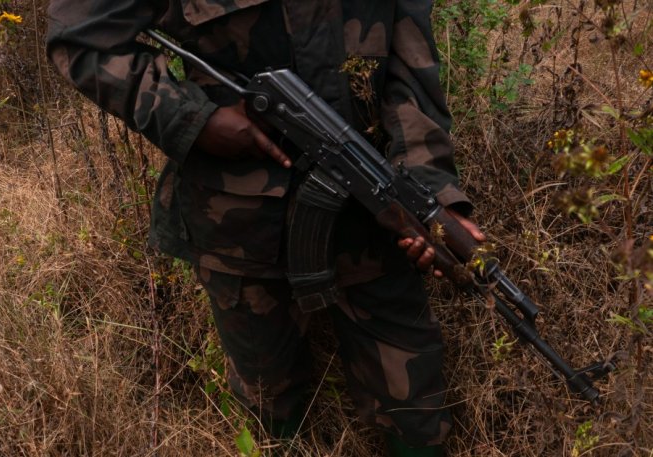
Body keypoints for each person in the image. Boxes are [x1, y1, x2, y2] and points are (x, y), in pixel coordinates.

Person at [46, 1, 485, 455]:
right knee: (270, 408)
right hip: (241, 229)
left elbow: (411, 70)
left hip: (374, 225)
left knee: (419, 417)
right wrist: (194, 120)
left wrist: (433, 197)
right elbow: (80, 40)